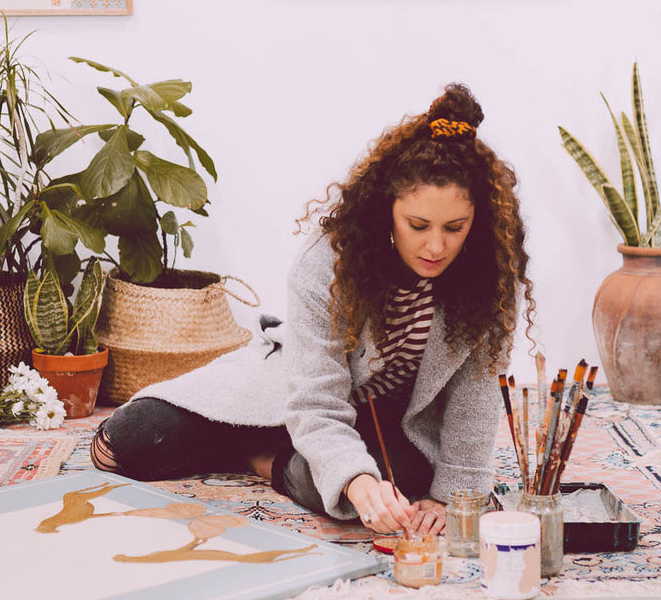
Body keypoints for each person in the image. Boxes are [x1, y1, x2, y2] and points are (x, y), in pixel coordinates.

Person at [90, 83, 537, 537]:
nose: (436, 245)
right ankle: (260, 444)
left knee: (403, 484)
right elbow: (317, 397)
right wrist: (357, 482)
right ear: (388, 210)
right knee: (126, 443)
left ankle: (270, 460)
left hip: (389, 419)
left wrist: (453, 495)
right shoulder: (326, 263)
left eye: (455, 228)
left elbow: (476, 396)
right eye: (417, 225)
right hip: (301, 385)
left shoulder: (490, 275)